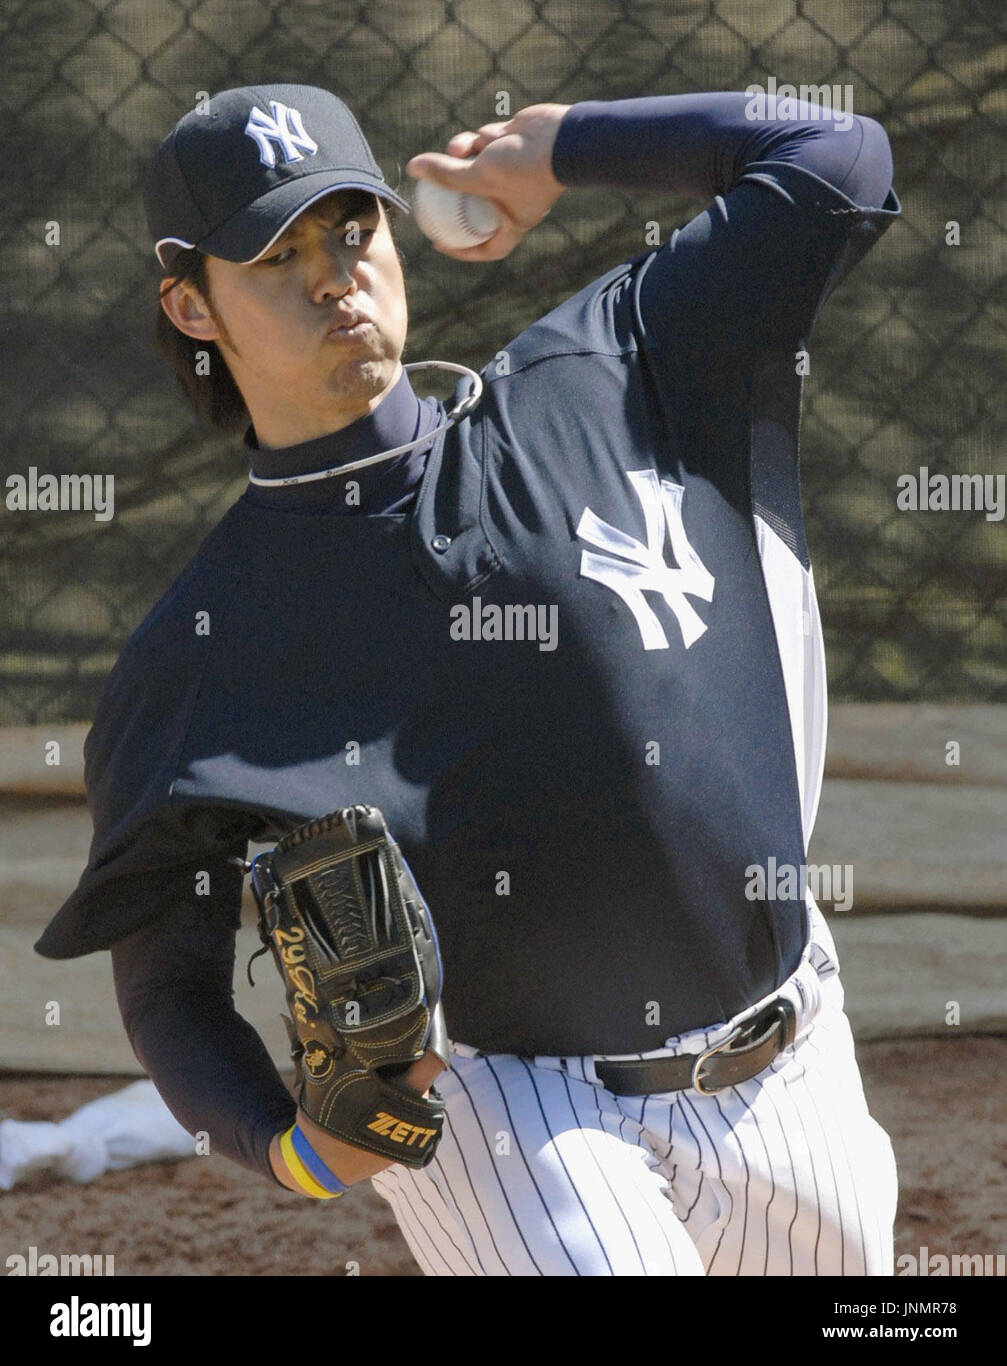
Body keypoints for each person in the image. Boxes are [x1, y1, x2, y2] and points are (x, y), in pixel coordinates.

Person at [37, 82, 902, 1276]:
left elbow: (834, 154)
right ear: (191, 304)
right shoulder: (197, 654)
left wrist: (566, 147)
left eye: (351, 229)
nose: (332, 273)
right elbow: (168, 984)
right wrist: (290, 1150)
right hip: (513, 1114)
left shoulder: (605, 374)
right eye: (274, 253)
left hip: (792, 1051)